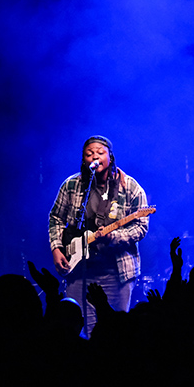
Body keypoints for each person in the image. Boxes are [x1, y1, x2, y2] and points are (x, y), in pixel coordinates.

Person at [48, 135, 149, 335]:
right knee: (76, 330)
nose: (95, 156)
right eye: (89, 153)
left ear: (110, 157)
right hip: (80, 271)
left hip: (116, 272)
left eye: (100, 153)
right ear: (84, 160)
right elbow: (56, 218)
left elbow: (141, 226)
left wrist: (114, 237)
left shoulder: (130, 187)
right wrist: (56, 249)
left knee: (116, 331)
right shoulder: (71, 185)